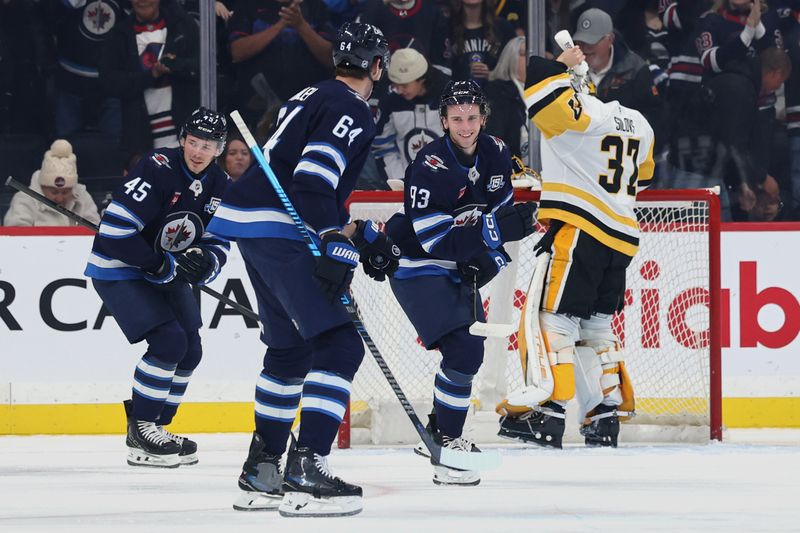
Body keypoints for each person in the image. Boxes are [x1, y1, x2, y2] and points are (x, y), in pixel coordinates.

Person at [207, 22, 399, 517]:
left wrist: (351, 233)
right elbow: (314, 177)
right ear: (376, 65)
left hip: (256, 228)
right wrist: (331, 239)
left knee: (289, 350)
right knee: (338, 344)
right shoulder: (350, 107)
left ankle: (262, 470)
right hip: (282, 230)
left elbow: (305, 181)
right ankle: (307, 468)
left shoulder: (310, 94)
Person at [495, 47, 656, 449]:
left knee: (552, 319)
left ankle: (547, 413)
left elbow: (541, 98)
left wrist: (561, 64)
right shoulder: (640, 123)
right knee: (598, 326)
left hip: (581, 230)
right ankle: (603, 414)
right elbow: (645, 177)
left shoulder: (588, 115)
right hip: (622, 237)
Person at [384, 80, 536, 485]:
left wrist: (491, 257)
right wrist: (490, 238)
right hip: (417, 262)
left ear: (483, 118)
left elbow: (503, 216)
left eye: (472, 118)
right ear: (444, 121)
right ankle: (448, 443)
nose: (465, 126)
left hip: (457, 260)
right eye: (456, 119)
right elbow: (437, 239)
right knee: (466, 349)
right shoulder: (429, 165)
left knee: (469, 353)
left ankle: (440, 433)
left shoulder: (498, 152)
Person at [83, 108, 232, 468]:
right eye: (193, 142)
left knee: (191, 350)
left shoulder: (220, 184)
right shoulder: (156, 167)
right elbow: (116, 234)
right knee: (169, 342)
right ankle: (142, 429)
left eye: (207, 145)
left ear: (219, 149)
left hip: (164, 269)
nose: (198, 151)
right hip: (119, 268)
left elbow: (218, 242)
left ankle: (155, 429)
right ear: (182, 140)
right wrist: (160, 264)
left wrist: (206, 262)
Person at [98, 0, 201, 159]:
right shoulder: (119, 35)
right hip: (140, 135)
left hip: (184, 129)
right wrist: (151, 75)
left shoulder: (183, 25)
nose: (143, 1)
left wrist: (177, 65)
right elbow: (109, 82)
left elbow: (204, 65)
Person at [373, 47, 449, 191]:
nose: (399, 90)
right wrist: (399, 179)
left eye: (404, 85)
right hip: (403, 187)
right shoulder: (390, 101)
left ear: (422, 79)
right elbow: (381, 146)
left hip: (448, 185)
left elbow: (465, 143)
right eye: (395, 84)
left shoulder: (450, 96)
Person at [4, 140, 100, 227]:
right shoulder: (24, 200)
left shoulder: (83, 196)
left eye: (65, 192)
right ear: (42, 186)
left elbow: (96, 232)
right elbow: (17, 235)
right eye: (54, 192)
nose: (59, 198)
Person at [484, 35, 528, 160]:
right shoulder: (497, 91)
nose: (529, 59)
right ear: (510, 58)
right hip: (512, 167)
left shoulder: (543, 89)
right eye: (523, 54)